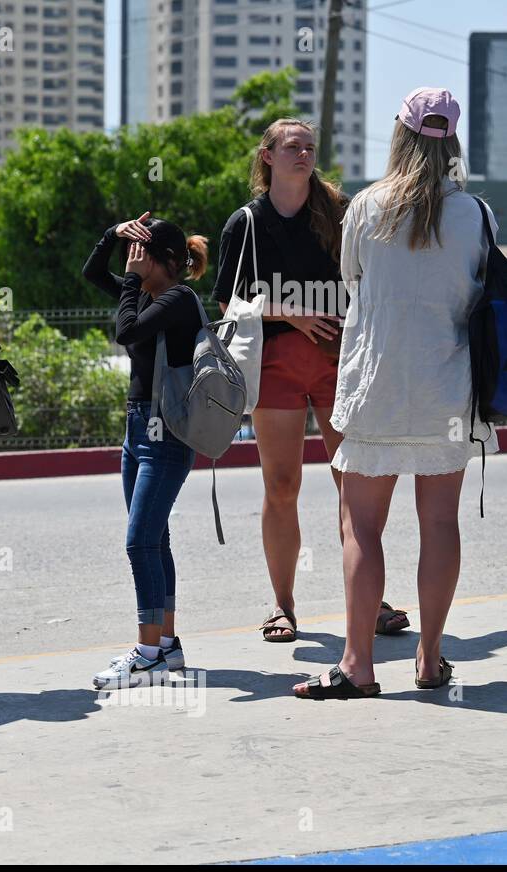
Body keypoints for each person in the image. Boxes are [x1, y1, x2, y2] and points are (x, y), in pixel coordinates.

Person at [294, 88, 498, 699]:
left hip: (377, 384)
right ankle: (431, 661)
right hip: (447, 387)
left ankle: (358, 668)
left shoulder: (366, 207)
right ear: (454, 143)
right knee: (440, 523)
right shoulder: (478, 215)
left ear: (400, 136)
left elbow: (353, 283)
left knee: (362, 525)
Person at [213, 119, 409, 643]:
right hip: (273, 366)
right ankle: (282, 604)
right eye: (292, 146)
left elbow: (373, 281)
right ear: (268, 156)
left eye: (309, 147)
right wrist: (292, 313)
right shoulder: (246, 224)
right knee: (281, 486)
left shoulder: (341, 214)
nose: (303, 153)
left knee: (353, 485)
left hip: (339, 363)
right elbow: (228, 304)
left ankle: (371, 601)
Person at [83, 213, 209, 689]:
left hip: (166, 436)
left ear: (167, 262)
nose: (131, 262)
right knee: (155, 541)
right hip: (138, 429)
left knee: (139, 542)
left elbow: (127, 332)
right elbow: (93, 275)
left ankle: (148, 654)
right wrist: (111, 233)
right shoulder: (148, 294)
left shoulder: (177, 298)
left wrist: (132, 283)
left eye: (140, 255)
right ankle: (167, 647)